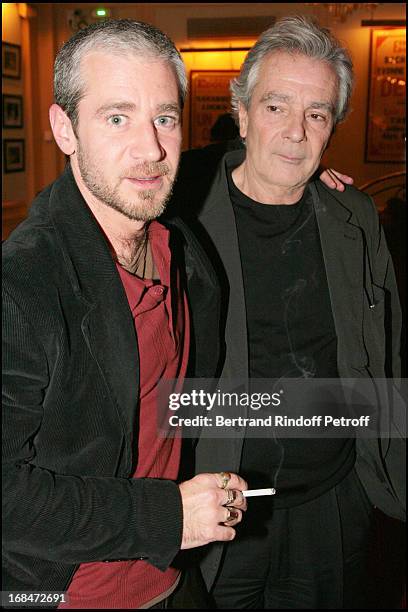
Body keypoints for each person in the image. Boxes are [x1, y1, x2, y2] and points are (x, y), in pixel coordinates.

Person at [2, 20, 249, 610]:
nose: (152, 150)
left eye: (164, 118)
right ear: (65, 129)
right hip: (65, 596)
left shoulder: (180, 251)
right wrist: (168, 514)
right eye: (117, 118)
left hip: (172, 580)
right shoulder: (23, 285)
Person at [171, 15, 406, 609]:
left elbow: (386, 366)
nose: (295, 134)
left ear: (332, 130)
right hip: (215, 512)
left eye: (317, 114)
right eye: (276, 107)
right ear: (242, 114)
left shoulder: (352, 219)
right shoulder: (176, 215)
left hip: (331, 506)